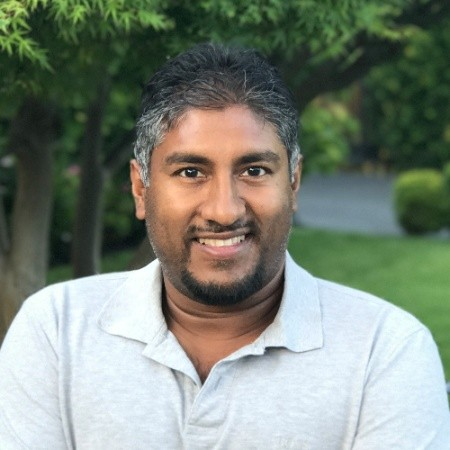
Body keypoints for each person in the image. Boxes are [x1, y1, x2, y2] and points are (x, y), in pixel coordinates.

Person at [0, 43, 449, 450]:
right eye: (191, 172)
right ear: (141, 189)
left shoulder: (385, 353)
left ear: (293, 183)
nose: (224, 210)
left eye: (254, 171)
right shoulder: (55, 332)